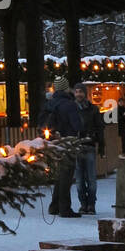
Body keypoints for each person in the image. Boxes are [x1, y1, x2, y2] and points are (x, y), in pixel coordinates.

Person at [45, 78, 81, 218]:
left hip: (55, 142)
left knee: (60, 175)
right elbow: (77, 125)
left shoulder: (50, 103)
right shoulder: (69, 104)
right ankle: (65, 208)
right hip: (68, 141)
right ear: (66, 88)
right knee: (67, 175)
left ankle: (54, 206)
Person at [71, 84, 105, 215]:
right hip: (76, 146)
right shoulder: (72, 109)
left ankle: (91, 204)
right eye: (77, 92)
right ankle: (83, 203)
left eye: (81, 92)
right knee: (79, 180)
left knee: (91, 178)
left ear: (85, 94)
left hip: (90, 145)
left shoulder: (93, 109)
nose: (78, 94)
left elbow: (100, 127)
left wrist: (101, 145)